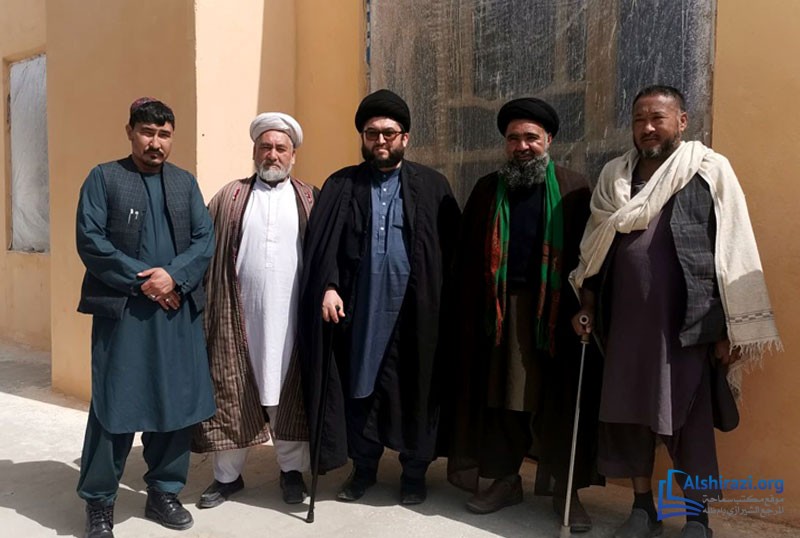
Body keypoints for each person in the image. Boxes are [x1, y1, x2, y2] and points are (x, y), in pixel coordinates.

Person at [571, 85, 782, 538]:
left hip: (688, 326)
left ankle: (696, 519)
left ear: (681, 122)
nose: (647, 128)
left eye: (657, 118)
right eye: (639, 119)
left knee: (689, 423)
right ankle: (642, 510)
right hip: (624, 327)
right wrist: (587, 304)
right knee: (629, 419)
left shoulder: (708, 170)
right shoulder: (614, 176)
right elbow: (595, 247)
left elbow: (733, 245)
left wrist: (728, 328)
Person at [445, 97, 602, 532]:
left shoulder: (574, 189)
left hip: (559, 315)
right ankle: (505, 481)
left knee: (561, 401)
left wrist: (588, 305)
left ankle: (565, 492)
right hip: (503, 313)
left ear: (548, 140)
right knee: (503, 401)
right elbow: (465, 258)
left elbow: (593, 257)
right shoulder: (486, 190)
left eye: (531, 137)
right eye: (513, 138)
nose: (522, 146)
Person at [298, 89, 460, 505]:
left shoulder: (433, 185)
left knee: (415, 388)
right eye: (372, 133)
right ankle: (364, 469)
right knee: (360, 387)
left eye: (389, 133)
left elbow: (452, 251)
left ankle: (413, 475)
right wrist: (329, 286)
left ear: (405, 137)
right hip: (360, 310)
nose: (381, 141)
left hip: (417, 311)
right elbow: (323, 247)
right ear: (363, 138)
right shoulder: (341, 184)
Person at [75, 98, 216, 538]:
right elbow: (91, 240)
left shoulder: (184, 183)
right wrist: (147, 283)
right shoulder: (104, 178)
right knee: (114, 405)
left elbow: (204, 239)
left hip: (176, 312)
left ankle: (164, 492)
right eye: (147, 133)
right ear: (130, 132)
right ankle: (100, 502)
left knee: (175, 402)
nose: (156, 143)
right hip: (125, 314)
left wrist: (173, 277)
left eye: (164, 135)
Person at [193, 112, 316, 507]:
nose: (272, 155)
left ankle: (291, 472)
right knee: (232, 393)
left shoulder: (310, 198)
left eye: (281, 148)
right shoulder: (229, 197)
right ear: (254, 151)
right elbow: (201, 249)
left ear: (293, 155)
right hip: (236, 316)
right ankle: (227, 478)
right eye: (265, 147)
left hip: (291, 320)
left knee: (287, 394)